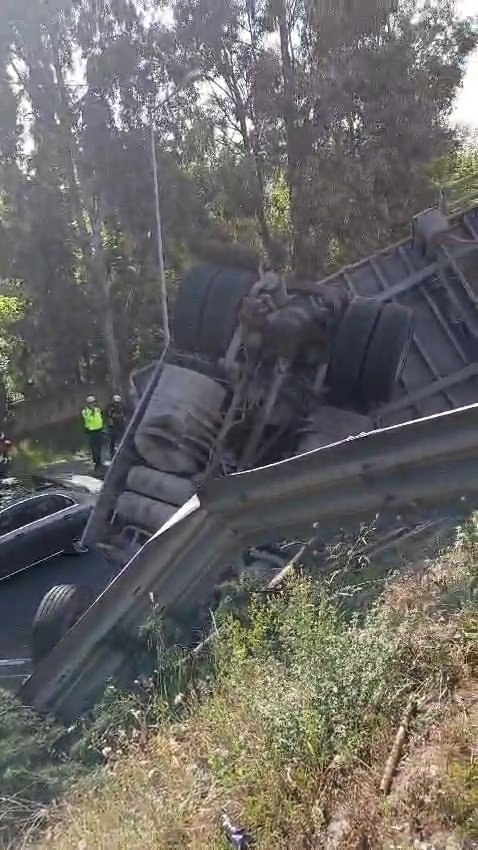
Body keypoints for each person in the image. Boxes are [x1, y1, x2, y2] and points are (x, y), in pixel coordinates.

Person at [81, 395, 104, 469]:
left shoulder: (98, 409)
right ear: (88, 404)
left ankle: (99, 460)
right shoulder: (85, 411)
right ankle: (96, 461)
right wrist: (92, 412)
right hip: (91, 431)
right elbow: (88, 418)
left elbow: (100, 418)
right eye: (91, 403)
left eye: (94, 402)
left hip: (99, 429)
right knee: (94, 447)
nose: (93, 404)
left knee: (99, 446)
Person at [104, 394, 125, 459]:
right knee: (112, 441)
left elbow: (125, 414)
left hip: (120, 425)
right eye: (115, 402)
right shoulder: (110, 407)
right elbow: (107, 414)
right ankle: (112, 453)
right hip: (113, 426)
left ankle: (122, 452)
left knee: (122, 439)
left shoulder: (122, 406)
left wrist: (121, 417)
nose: (116, 403)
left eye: (117, 402)